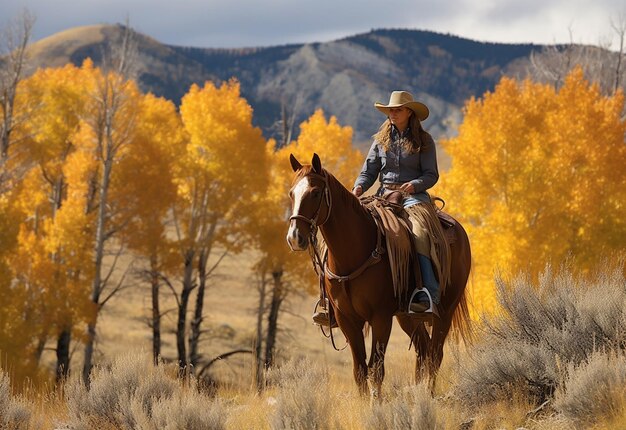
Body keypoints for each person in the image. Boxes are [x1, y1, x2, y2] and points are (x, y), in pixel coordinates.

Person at [313, 90, 450, 327]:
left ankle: (426, 293)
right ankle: (329, 300)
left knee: (419, 234)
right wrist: (357, 188)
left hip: (413, 198)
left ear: (409, 112)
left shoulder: (424, 140)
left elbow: (431, 174)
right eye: (390, 110)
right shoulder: (380, 140)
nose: (392, 114)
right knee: (342, 232)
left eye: (397, 110)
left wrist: (413, 185)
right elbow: (369, 171)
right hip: (382, 196)